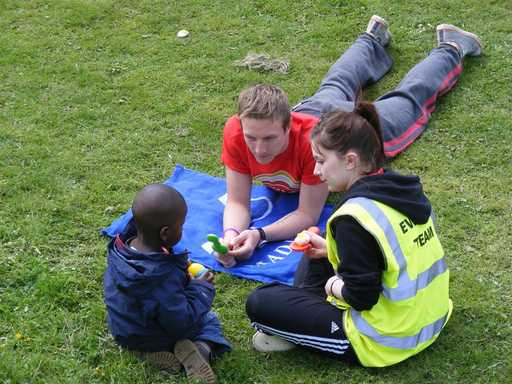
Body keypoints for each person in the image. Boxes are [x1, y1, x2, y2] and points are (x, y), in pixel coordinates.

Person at [218, 15, 482, 267]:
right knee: (337, 82)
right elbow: (237, 202)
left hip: (343, 130)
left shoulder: (314, 147)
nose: (259, 149)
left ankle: (452, 46)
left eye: (269, 138)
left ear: (289, 124)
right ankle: (371, 39)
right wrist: (231, 234)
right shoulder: (235, 131)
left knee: (408, 101)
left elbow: (307, 214)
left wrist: (259, 235)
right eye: (251, 137)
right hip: (319, 110)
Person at [245, 99, 455, 367]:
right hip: (430, 316)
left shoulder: (354, 219)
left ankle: (300, 329)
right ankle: (303, 315)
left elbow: (362, 297)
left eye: (320, 161)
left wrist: (331, 286)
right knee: (318, 243)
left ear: (351, 161)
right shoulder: (402, 191)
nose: (316, 171)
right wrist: (329, 250)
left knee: (260, 303)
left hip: (385, 339)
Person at [104, 184, 230, 383]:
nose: (183, 228)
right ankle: (201, 349)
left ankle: (144, 353)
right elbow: (179, 321)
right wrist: (201, 288)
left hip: (123, 328)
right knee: (209, 320)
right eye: (181, 225)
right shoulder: (159, 276)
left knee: (147, 316)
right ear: (165, 233)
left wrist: (180, 269)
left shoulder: (123, 250)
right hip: (153, 333)